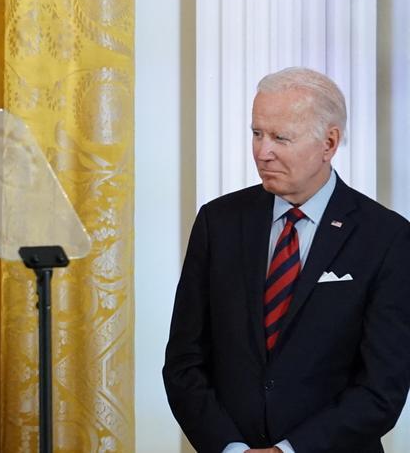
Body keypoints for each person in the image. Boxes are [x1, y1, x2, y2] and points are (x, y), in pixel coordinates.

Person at [163, 67, 410, 453]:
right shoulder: (218, 222)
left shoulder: (387, 237)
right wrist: (230, 448)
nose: (263, 152)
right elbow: (183, 363)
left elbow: (382, 388)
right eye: (256, 133)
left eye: (280, 137)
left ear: (329, 143)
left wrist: (288, 450)